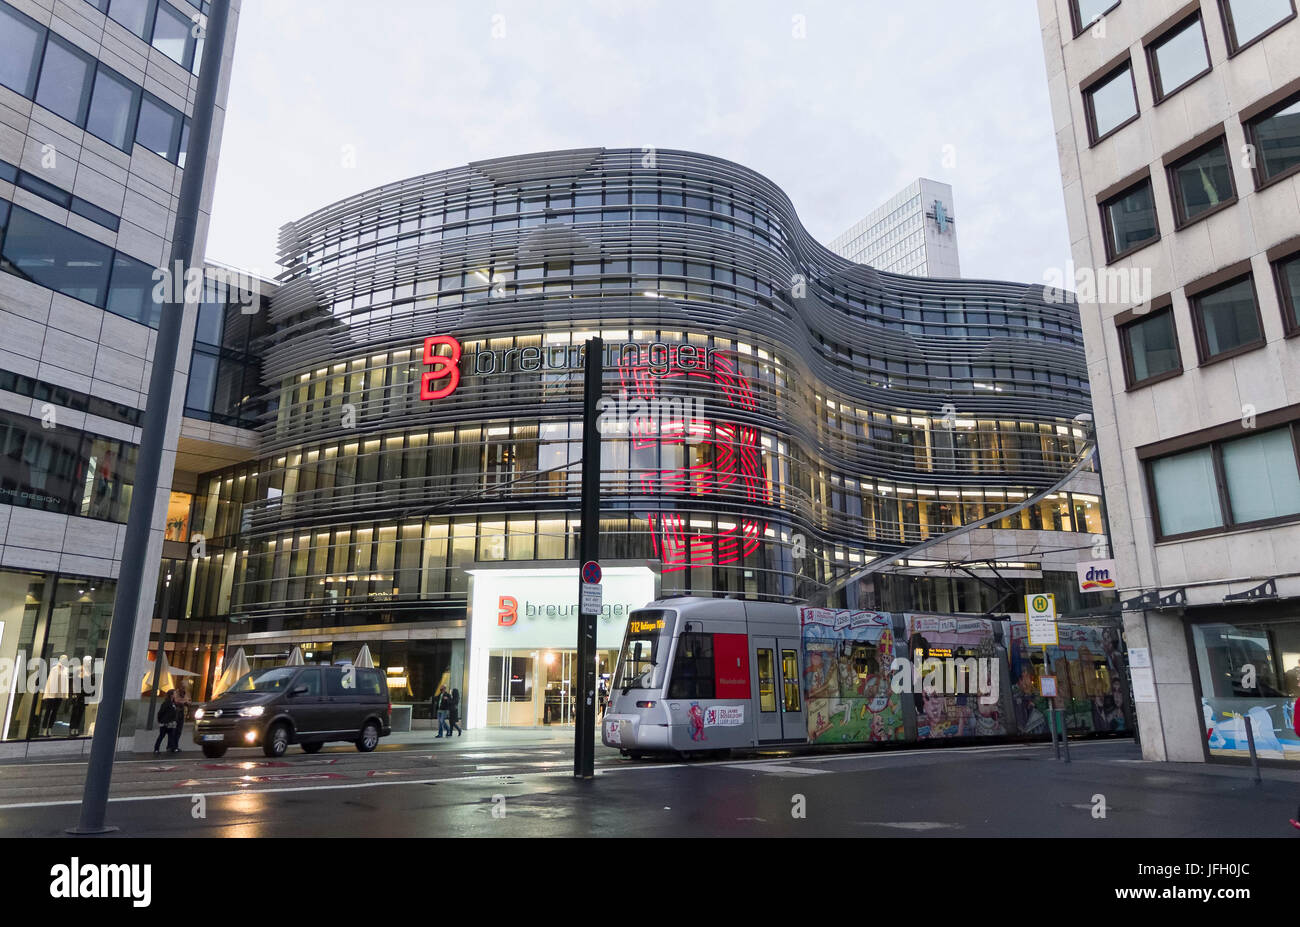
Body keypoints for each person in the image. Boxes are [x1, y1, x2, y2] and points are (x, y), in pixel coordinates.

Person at [153, 690, 178, 756]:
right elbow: (160, 712)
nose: (176, 695)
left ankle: (172, 748)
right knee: (161, 736)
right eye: (175, 693)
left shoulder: (173, 703)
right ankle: (156, 749)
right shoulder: (166, 703)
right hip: (165, 723)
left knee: (171, 736)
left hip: (171, 723)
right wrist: (160, 721)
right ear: (171, 695)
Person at [170, 682, 192, 752]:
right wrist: (184, 702)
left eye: (185, 688)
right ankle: (171, 746)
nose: (183, 689)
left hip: (182, 713)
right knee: (173, 730)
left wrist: (185, 702)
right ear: (179, 687)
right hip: (175, 713)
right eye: (182, 687)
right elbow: (176, 701)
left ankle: (176, 746)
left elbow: (189, 702)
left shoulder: (186, 693)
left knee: (179, 731)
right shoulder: (175, 693)